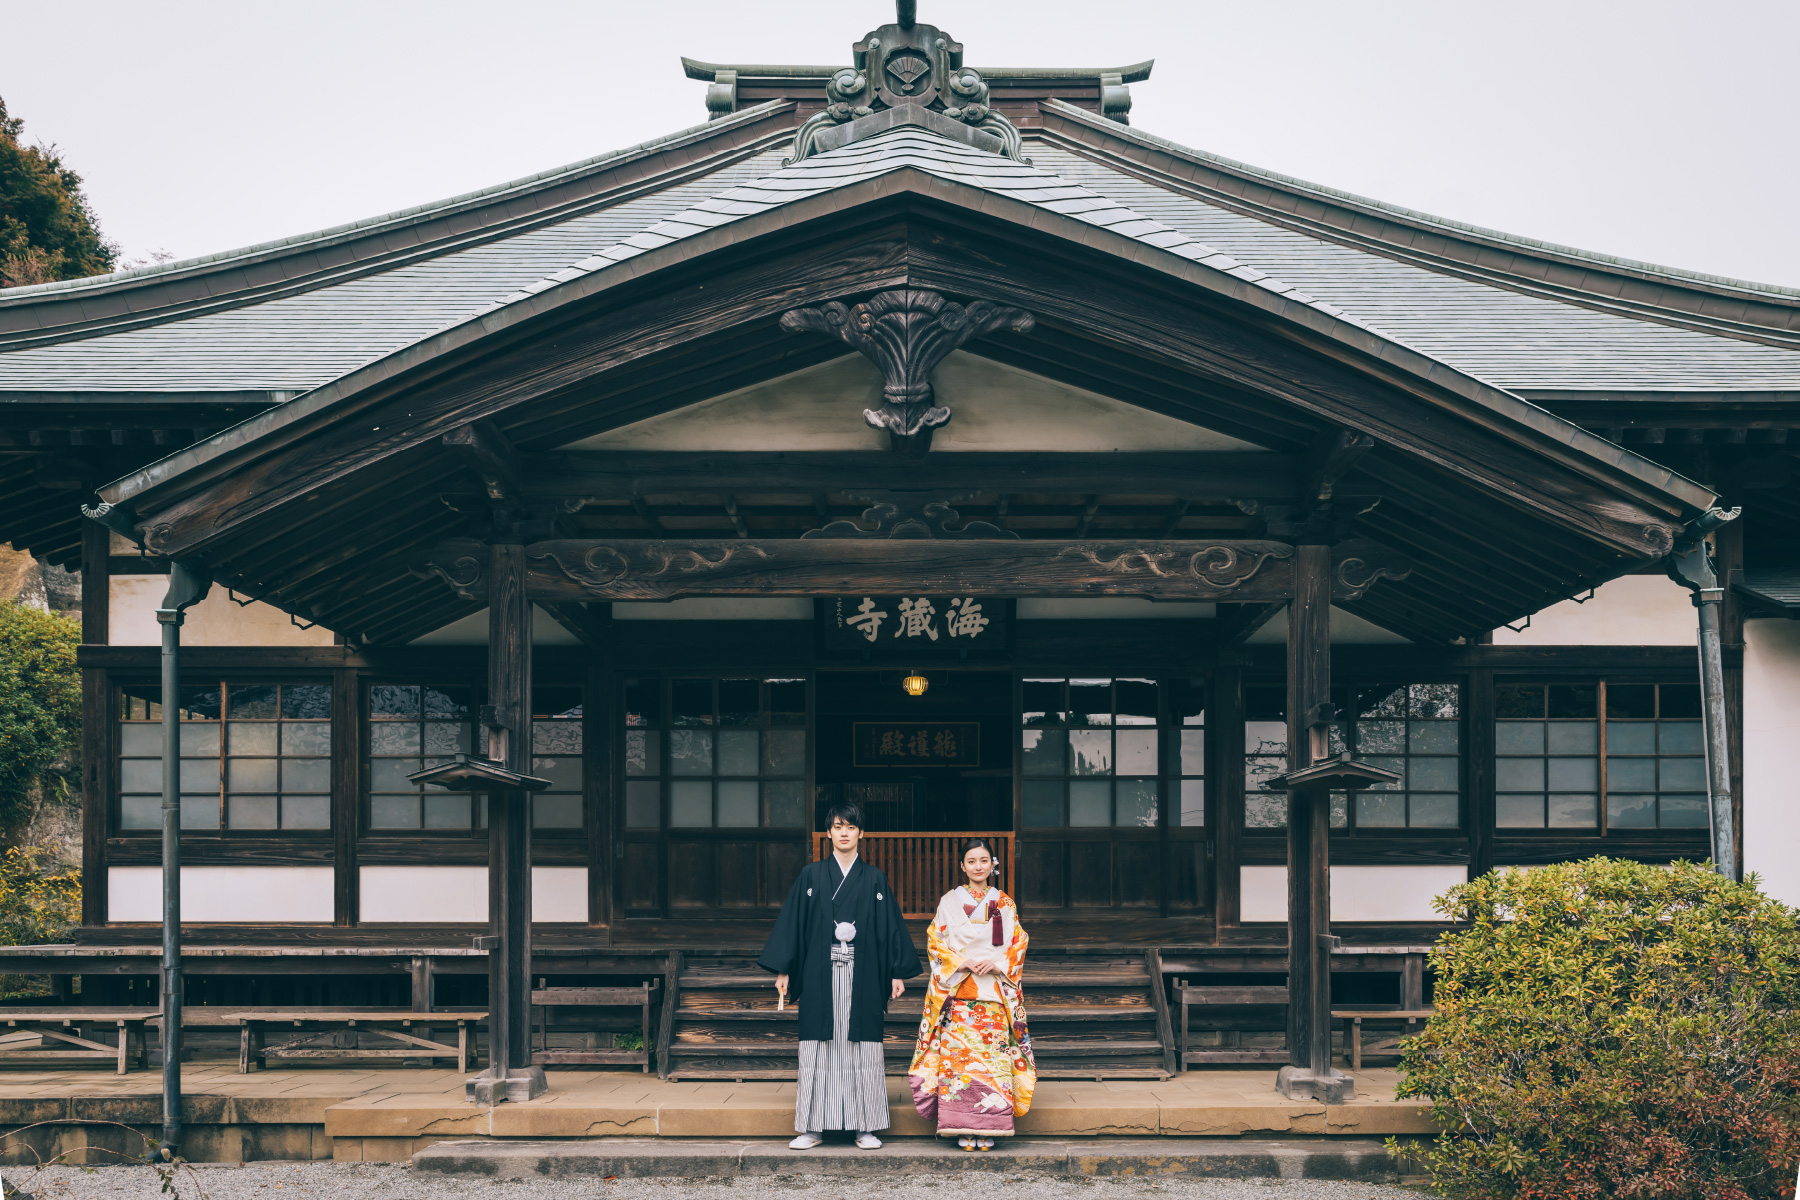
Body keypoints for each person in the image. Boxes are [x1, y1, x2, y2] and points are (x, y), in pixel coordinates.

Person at [758, 801, 921, 1150]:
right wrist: (784, 969)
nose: (844, 833)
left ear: (861, 833)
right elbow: (793, 925)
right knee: (819, 1044)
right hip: (820, 973)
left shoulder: (874, 877)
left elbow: (889, 926)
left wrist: (896, 971)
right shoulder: (811, 875)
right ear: (828, 833)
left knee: (861, 1047)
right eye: (837, 826)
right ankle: (813, 1126)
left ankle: (866, 1126)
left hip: (863, 974)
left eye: (850, 827)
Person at [907, 837, 1036, 1150]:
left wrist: (994, 963)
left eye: (983, 860)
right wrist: (963, 961)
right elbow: (935, 943)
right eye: (971, 861)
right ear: (962, 866)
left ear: (993, 865)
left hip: (993, 996)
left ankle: (991, 1126)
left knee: (993, 1064)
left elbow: (1018, 943)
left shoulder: (1005, 903)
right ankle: (959, 1126)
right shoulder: (949, 902)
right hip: (959, 997)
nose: (978, 866)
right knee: (959, 1066)